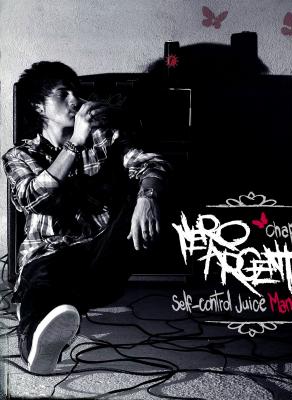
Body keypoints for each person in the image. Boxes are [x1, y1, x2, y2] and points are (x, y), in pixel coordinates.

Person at [2, 61, 170, 374]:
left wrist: (147, 197)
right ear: (38, 106)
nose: (74, 100)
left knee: (146, 191)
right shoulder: (19, 156)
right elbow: (35, 198)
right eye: (62, 94)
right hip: (49, 257)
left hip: (99, 261)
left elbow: (151, 163)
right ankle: (35, 341)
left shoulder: (104, 139)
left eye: (75, 92)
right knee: (44, 282)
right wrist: (74, 144)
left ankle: (50, 309)